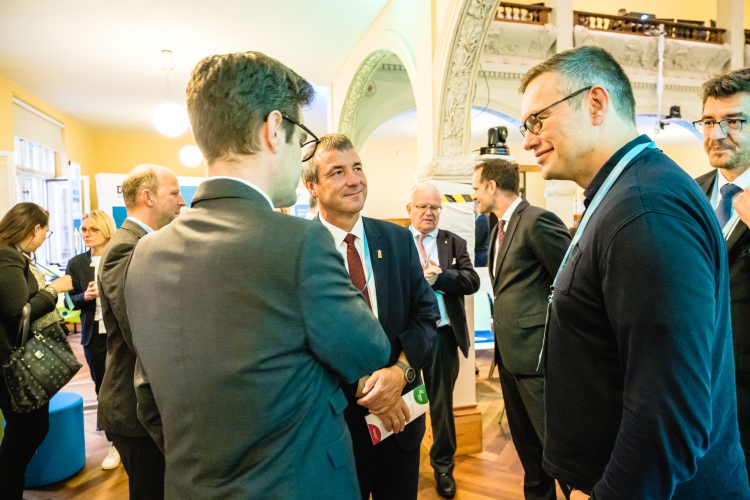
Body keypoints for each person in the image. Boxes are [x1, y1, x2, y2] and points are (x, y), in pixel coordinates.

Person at [125, 52, 391, 500]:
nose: (301, 155)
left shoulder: (145, 254)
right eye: (302, 139)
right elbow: (369, 350)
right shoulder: (300, 242)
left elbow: (148, 398)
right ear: (273, 129)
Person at [519, 45, 749, 498]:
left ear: (595, 104)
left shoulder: (645, 208)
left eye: (537, 120)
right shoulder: (625, 193)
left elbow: (667, 413)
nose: (528, 140)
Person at [303, 134, 439, 500]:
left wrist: (399, 373)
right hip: (336, 431)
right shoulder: (298, 249)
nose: (354, 180)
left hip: (401, 422)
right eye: (337, 172)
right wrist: (367, 389)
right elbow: (298, 340)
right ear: (311, 185)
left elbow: (426, 315)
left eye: (358, 168)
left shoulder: (396, 239)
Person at [472, 160, 570, 500]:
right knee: (529, 452)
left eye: (475, 187)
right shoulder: (496, 228)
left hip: (536, 357)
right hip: (509, 356)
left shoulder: (537, 220)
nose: (473, 194)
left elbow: (571, 282)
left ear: (492, 186)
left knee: (557, 450)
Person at [98, 164, 185, 500]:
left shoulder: (142, 242)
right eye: (174, 193)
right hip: (132, 405)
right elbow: (139, 331)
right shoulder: (126, 247)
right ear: (148, 197)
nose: (181, 202)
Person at [405, 183, 479, 499]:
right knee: (405, 401)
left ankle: (443, 467)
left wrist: (441, 278)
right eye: (422, 206)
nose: (428, 212)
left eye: (434, 207)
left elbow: (472, 281)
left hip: (441, 336)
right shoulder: (397, 242)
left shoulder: (453, 242)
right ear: (409, 209)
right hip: (406, 336)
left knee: (441, 405)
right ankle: (403, 462)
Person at [693, 68, 750, 479]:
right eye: (709, 121)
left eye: (734, 121)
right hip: (691, 377)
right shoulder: (688, 192)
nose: (717, 134)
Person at [0, 202, 73, 499]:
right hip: (12, 363)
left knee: (28, 430)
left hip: (13, 359)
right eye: (46, 231)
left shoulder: (12, 255)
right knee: (25, 433)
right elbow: (19, 313)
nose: (44, 237)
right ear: (34, 229)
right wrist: (55, 289)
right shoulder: (7, 256)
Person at [66, 210, 120, 470]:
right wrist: (84, 297)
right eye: (84, 230)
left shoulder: (121, 256)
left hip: (121, 332)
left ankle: (129, 435)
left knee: (125, 386)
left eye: (93, 229)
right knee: (102, 386)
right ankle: (114, 441)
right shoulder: (76, 263)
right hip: (93, 334)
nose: (87, 234)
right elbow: (69, 302)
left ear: (106, 230)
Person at [473, 199, 490, 267]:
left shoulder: (481, 220)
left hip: (480, 252)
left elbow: (477, 239)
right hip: (479, 252)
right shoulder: (478, 218)